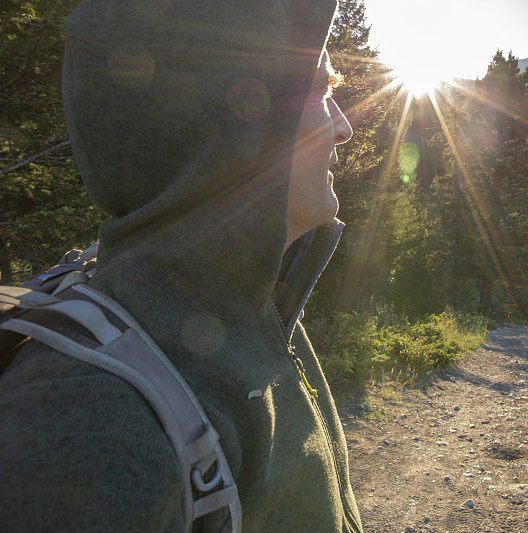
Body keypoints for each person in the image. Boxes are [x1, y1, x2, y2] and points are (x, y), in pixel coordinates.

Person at [0, 0, 363, 531]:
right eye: (322, 90)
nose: (345, 127)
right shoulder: (91, 422)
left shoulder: (254, 306)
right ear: (225, 119)